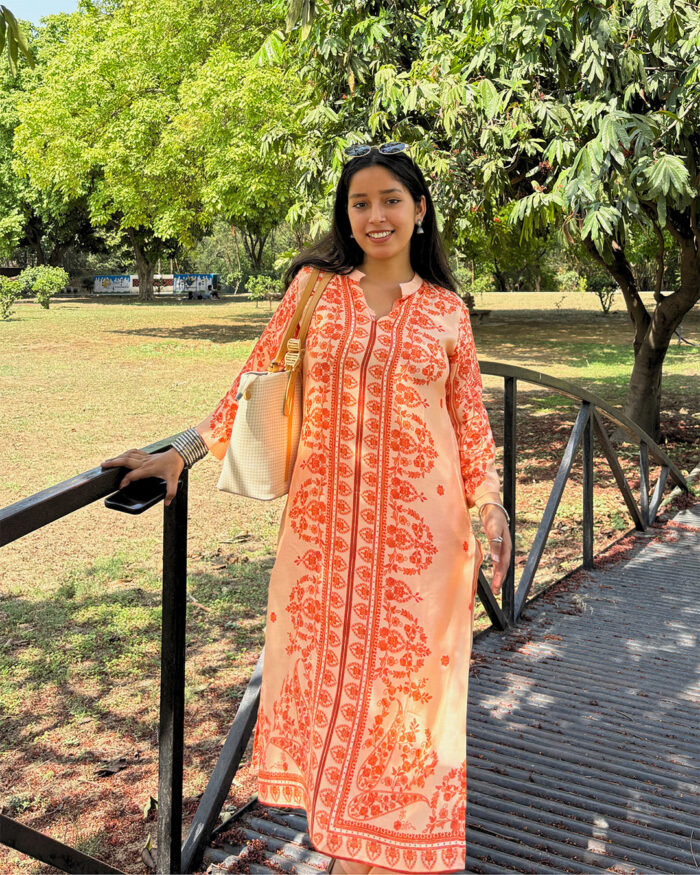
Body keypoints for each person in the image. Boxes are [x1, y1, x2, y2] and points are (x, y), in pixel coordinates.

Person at [102, 143, 512, 875]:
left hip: (423, 544)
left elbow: (468, 418)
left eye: (391, 200)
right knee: (329, 688)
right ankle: (348, 846)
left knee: (406, 701)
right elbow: (254, 379)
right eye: (361, 202)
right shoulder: (316, 290)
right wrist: (181, 454)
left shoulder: (447, 311)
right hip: (324, 539)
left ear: (419, 210)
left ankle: (390, 850)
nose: (376, 215)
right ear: (346, 215)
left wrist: (491, 503)